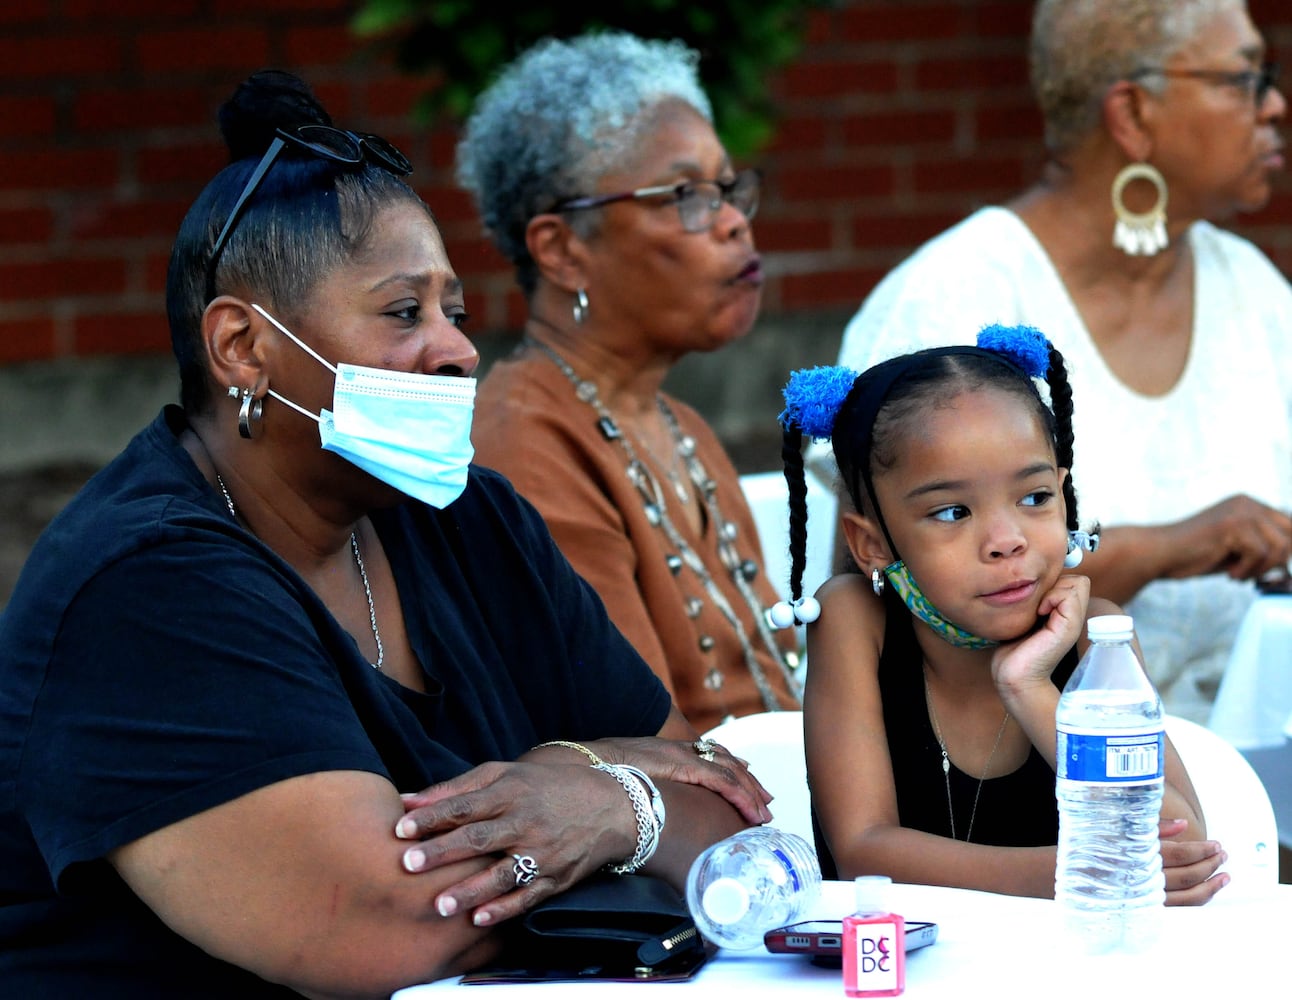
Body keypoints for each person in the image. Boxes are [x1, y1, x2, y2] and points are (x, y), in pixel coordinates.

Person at [0, 69, 772, 998]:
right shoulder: (144, 585)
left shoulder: (471, 519)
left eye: (454, 310)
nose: (457, 349)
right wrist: (616, 804)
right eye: (404, 312)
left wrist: (605, 805)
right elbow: (390, 930)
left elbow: (728, 817)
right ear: (244, 348)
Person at [827, 0, 1292, 724]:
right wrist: (1171, 547)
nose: (1275, 105)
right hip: (1032, 776)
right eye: (1245, 78)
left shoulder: (1252, 286)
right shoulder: (952, 298)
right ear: (1132, 114)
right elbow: (882, 591)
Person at [780, 323, 1227, 904]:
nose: (1005, 540)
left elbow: (1182, 842)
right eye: (951, 512)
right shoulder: (852, 620)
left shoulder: (1098, 639)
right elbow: (864, 848)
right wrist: (1081, 873)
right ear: (872, 543)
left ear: (1065, 496)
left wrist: (1031, 687)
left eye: (1035, 497)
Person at [457, 31, 802, 734]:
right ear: (562, 250)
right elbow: (637, 744)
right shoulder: (523, 442)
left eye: (729, 190)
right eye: (685, 195)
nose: (734, 222)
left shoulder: (681, 424)